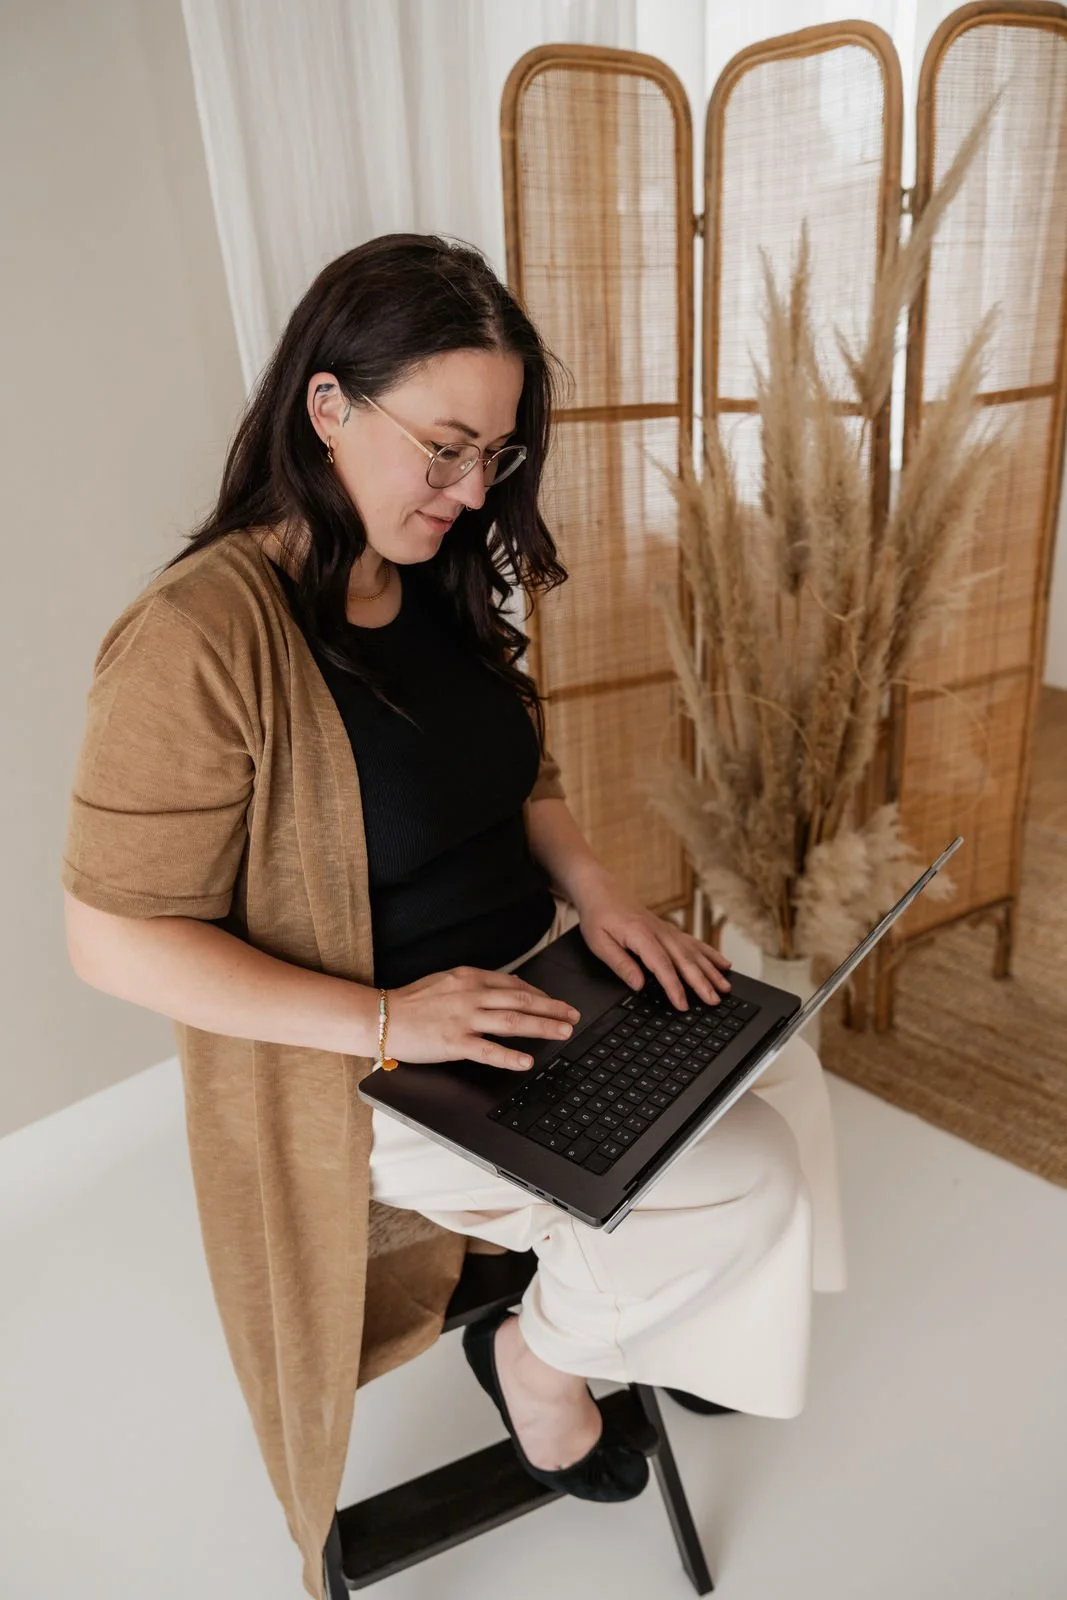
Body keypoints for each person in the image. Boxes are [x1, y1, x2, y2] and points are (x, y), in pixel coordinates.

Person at [61, 233, 844, 1600]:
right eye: (445, 447)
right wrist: (384, 1016)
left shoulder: (426, 568)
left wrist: (601, 897)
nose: (472, 488)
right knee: (746, 1177)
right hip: (363, 1071)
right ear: (326, 405)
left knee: (774, 1050)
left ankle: (689, 1321)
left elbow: (514, 772)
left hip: (530, 983)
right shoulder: (194, 641)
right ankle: (537, 1366)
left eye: (496, 457)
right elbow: (110, 937)